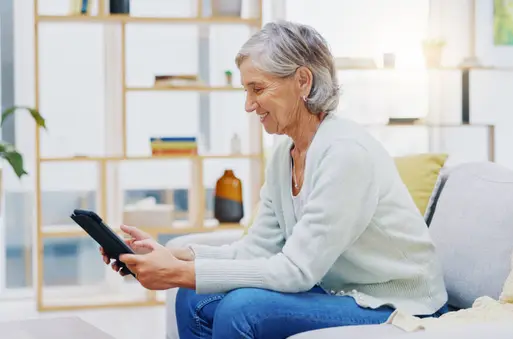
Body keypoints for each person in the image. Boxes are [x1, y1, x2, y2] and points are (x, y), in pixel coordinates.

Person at [100, 20, 448, 339]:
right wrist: (172, 255)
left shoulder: (346, 154)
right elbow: (256, 249)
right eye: (246, 91)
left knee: (242, 310)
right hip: (337, 289)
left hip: (393, 301)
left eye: (258, 89)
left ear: (302, 81)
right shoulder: (286, 154)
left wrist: (176, 273)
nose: (249, 105)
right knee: (192, 298)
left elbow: (295, 271)